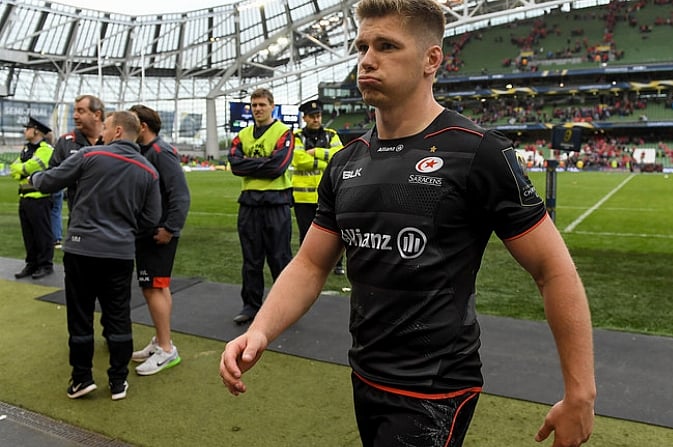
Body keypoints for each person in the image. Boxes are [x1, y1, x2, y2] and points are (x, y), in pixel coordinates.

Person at [220, 1, 596, 446]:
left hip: (435, 388)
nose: (366, 59)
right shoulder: (345, 162)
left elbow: (552, 270)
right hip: (364, 372)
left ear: (431, 59)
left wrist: (580, 394)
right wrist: (260, 330)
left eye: (386, 46)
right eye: (362, 46)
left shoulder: (479, 153)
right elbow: (310, 265)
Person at [30, 111, 161, 401]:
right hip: (120, 253)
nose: (101, 131)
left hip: (81, 249)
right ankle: (117, 382)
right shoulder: (149, 171)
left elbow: (49, 181)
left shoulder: (90, 156)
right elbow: (152, 219)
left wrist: (35, 176)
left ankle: (82, 378)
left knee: (80, 316)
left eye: (105, 126)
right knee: (118, 316)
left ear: (116, 131)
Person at [128, 105, 191, 376]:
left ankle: (166, 349)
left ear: (143, 126)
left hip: (159, 234)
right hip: (148, 232)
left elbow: (180, 195)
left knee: (154, 287)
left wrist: (169, 228)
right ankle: (161, 341)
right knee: (154, 288)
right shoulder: (146, 151)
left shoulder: (160, 152)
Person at [227, 87, 295, 325]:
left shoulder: (283, 132)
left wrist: (250, 163)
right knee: (251, 260)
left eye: (262, 105)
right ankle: (251, 305)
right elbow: (235, 165)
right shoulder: (242, 135)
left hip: (276, 203)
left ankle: (284, 307)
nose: (257, 109)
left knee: (280, 258)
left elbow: (278, 167)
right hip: (249, 204)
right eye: (254, 105)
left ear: (272, 106)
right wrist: (262, 163)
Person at [292, 99, 345, 274]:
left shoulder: (331, 134)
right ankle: (307, 265)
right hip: (304, 196)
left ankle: (337, 265)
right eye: (312, 116)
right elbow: (298, 160)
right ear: (305, 118)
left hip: (329, 194)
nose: (316, 119)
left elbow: (341, 156)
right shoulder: (297, 136)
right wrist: (325, 161)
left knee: (336, 232)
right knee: (306, 234)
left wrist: (316, 152)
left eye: (319, 115)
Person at [51, 94, 106, 247]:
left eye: (81, 111)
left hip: (112, 220)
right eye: (75, 111)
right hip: (78, 219)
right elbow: (53, 175)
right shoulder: (66, 141)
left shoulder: (114, 140)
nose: (75, 116)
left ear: (97, 114)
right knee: (75, 264)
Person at [11, 116, 55, 280]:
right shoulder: (26, 149)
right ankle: (32, 263)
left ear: (36, 130)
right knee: (28, 234)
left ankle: (45, 264)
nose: (25, 131)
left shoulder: (46, 149)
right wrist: (21, 169)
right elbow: (14, 168)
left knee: (42, 233)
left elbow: (30, 167)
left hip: (39, 198)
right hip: (25, 197)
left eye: (27, 128)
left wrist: (21, 169)